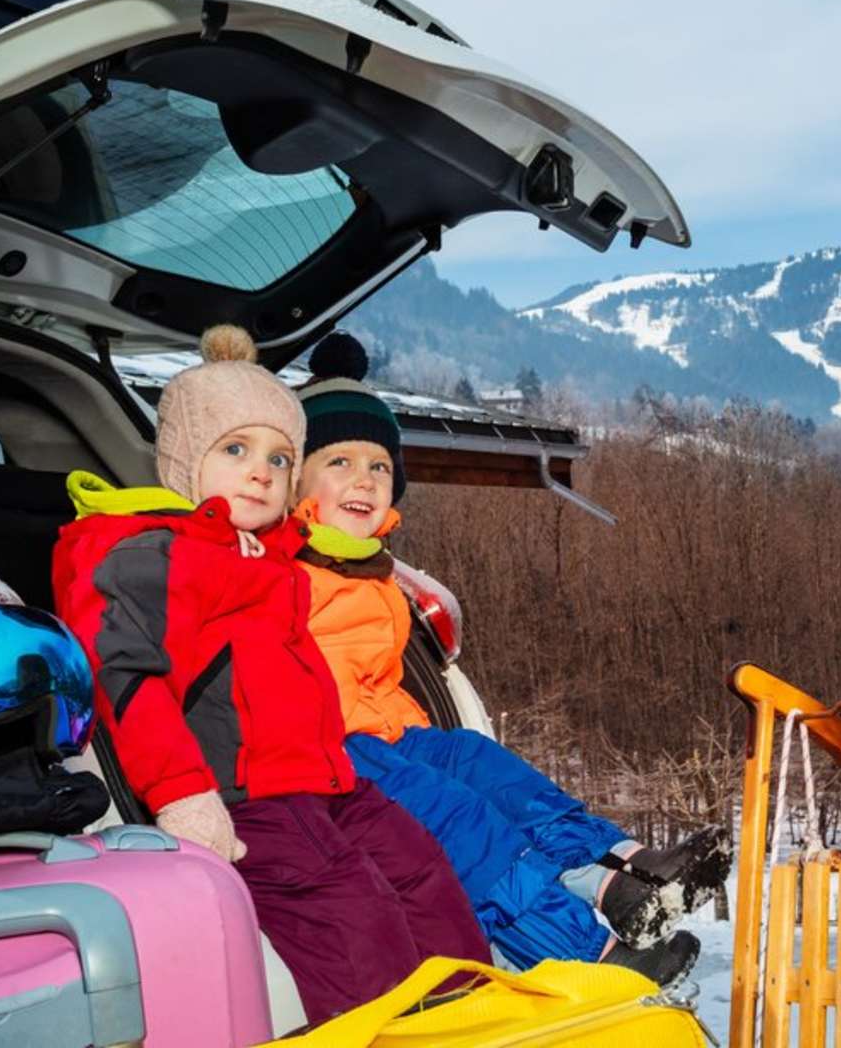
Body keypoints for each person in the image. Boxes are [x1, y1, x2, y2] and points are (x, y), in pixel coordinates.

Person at [51, 325, 488, 1024]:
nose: (262, 471)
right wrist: (183, 795)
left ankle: (470, 1026)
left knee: (424, 874)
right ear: (184, 459)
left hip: (327, 780)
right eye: (235, 450)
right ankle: (380, 1035)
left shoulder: (274, 561)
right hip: (246, 797)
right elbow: (126, 677)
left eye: (281, 458)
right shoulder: (148, 554)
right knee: (354, 920)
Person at [290, 332, 730, 987]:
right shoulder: (275, 566)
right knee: (467, 828)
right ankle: (592, 956)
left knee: (491, 770)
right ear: (293, 477)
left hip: (398, 736)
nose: (364, 480)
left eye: (379, 467)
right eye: (341, 463)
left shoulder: (377, 572)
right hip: (333, 754)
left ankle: (630, 875)